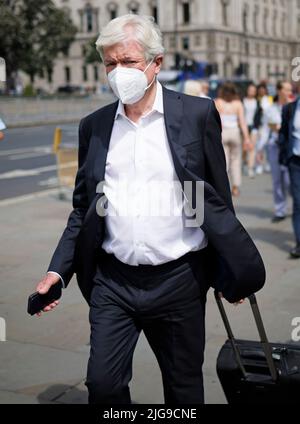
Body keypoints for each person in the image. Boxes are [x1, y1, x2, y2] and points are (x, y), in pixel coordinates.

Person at [34, 14, 265, 405]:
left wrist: (229, 265)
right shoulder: (94, 126)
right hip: (113, 283)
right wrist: (58, 270)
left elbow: (214, 199)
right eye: (110, 63)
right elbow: (83, 210)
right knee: (103, 387)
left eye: (128, 62)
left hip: (180, 281)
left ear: (156, 63)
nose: (117, 72)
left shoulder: (195, 114)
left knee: (184, 389)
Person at [263, 81, 292, 223]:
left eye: (290, 90)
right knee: (277, 180)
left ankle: (295, 205)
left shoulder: (294, 107)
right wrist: (258, 148)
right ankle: (280, 210)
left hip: (289, 147)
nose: (289, 92)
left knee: (289, 180)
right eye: (286, 89)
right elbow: (265, 129)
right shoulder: (271, 108)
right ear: (279, 91)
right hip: (274, 146)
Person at [215, 82, 251, 197]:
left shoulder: (218, 102)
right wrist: (246, 138)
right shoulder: (237, 104)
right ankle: (235, 187)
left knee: (223, 162)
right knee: (236, 161)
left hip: (222, 133)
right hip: (235, 132)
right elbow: (242, 122)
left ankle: (223, 187)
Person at [279, 84, 300, 258]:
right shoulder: (289, 108)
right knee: (298, 202)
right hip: (295, 160)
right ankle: (299, 243)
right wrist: (284, 154)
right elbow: (284, 133)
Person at [243, 84, 263, 178]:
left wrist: (258, 127)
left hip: (253, 127)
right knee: (244, 148)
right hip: (243, 127)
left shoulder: (257, 102)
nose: (251, 91)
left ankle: (250, 168)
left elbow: (259, 115)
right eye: (250, 90)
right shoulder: (242, 101)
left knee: (252, 148)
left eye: (253, 90)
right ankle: (244, 163)